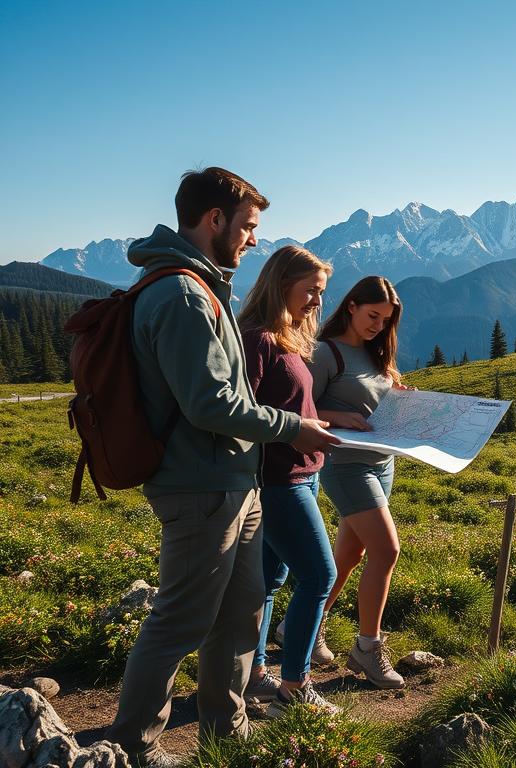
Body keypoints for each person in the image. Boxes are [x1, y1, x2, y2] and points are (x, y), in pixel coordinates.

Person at [105, 168, 339, 767]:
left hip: (236, 482)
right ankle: (131, 747)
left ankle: (225, 732)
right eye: (248, 226)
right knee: (180, 622)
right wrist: (294, 427)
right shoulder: (182, 294)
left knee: (242, 614)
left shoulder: (205, 286)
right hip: (201, 486)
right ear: (214, 221)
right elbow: (210, 404)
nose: (253, 239)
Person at [237, 245, 341, 715]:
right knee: (319, 575)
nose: (317, 301)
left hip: (301, 474)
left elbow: (291, 404)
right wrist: (295, 433)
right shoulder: (257, 338)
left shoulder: (288, 336)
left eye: (321, 292)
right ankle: (295, 689)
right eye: (311, 291)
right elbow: (241, 412)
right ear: (282, 286)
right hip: (278, 481)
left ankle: (254, 675)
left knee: (269, 579)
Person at [310, 275, 409, 689]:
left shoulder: (375, 352)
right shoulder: (324, 352)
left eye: (385, 320)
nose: (378, 326)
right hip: (346, 464)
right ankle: (367, 649)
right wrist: (335, 416)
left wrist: (400, 395)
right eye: (372, 316)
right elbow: (299, 407)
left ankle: (307, 628)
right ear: (350, 306)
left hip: (381, 462)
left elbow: (370, 397)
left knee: (349, 554)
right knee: (387, 551)